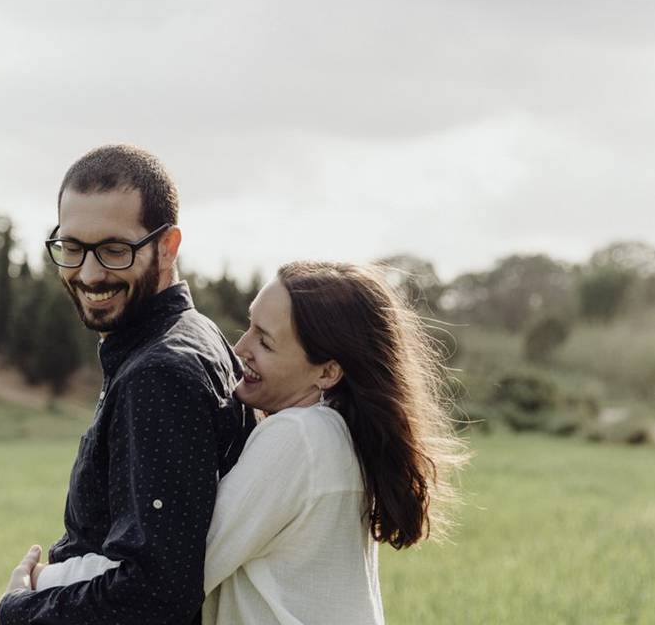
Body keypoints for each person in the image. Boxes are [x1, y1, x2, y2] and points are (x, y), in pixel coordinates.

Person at [25, 261, 469, 624]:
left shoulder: (299, 440)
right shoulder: (335, 433)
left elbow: (178, 565)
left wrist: (37, 584)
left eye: (266, 342)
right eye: (250, 327)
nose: (240, 348)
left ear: (328, 372)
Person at [0, 144, 253, 625]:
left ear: (168, 246)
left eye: (115, 250)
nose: (90, 274)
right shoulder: (194, 334)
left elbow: (156, 591)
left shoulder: (158, 374)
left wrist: (23, 610)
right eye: (72, 248)